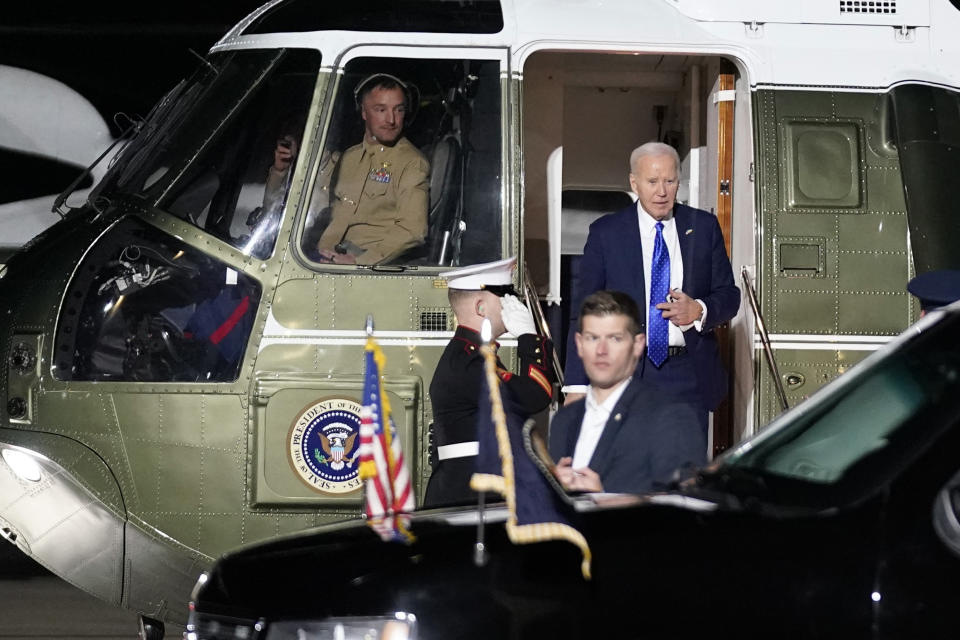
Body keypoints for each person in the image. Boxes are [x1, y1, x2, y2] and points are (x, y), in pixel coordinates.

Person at [563, 141, 740, 434]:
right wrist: (577, 385)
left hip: (687, 375)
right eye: (653, 181)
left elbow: (730, 295)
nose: (662, 191)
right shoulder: (607, 233)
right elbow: (584, 312)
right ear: (634, 183)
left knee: (682, 475)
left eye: (669, 181)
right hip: (624, 373)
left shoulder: (703, 226)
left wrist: (699, 310)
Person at [423, 256, 555, 507]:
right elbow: (535, 396)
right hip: (469, 494)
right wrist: (529, 339)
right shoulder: (470, 363)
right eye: (504, 296)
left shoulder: (473, 356)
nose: (512, 303)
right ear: (481, 307)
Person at [550, 290, 705, 494]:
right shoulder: (565, 420)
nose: (601, 350)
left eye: (615, 338)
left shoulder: (670, 418)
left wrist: (605, 498)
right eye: (592, 338)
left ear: (637, 345)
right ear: (579, 344)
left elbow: (685, 510)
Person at [316, 73, 430, 265]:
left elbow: (413, 230)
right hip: (324, 259)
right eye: (381, 109)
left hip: (364, 266)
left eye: (399, 110)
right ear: (363, 112)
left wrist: (360, 262)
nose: (391, 120)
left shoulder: (412, 163)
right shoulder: (348, 158)